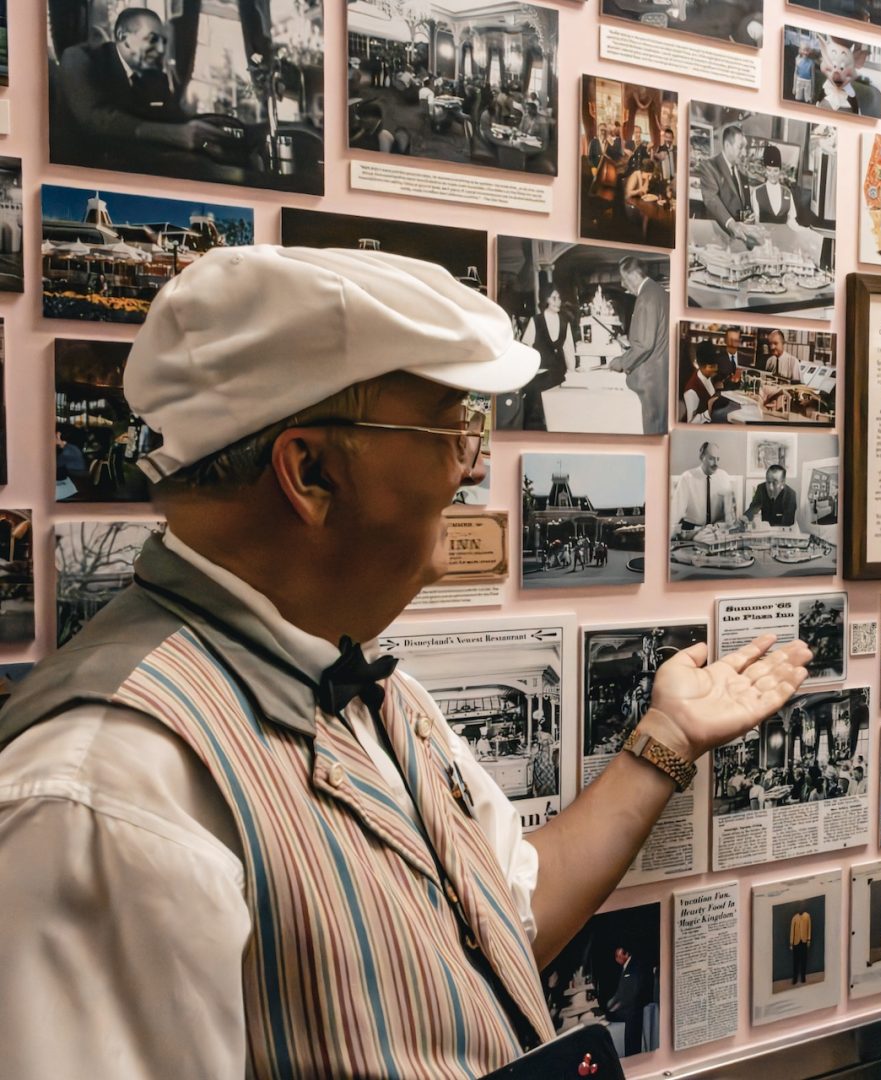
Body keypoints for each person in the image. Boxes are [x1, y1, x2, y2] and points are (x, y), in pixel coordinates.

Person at [0, 246, 813, 1077]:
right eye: (448, 426)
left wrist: (669, 732)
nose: (470, 461)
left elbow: (510, 916)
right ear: (309, 471)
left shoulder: (365, 684)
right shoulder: (103, 793)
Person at [55, 7, 232, 169]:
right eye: (153, 40)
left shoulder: (156, 78)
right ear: (123, 37)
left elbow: (171, 119)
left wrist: (209, 129)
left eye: (164, 41)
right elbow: (98, 120)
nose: (162, 49)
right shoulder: (79, 58)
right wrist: (174, 134)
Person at [609, 256, 668, 435]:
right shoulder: (660, 292)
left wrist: (621, 362)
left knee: (652, 432)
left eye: (624, 278)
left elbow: (644, 345)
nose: (623, 283)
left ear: (634, 276)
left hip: (650, 379)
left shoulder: (646, 297)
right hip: (663, 374)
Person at [503, 284, 572, 430]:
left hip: (559, 376)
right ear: (545, 299)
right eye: (554, 297)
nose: (557, 301)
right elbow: (526, 347)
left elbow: (569, 350)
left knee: (558, 415)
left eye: (559, 297)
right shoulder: (536, 321)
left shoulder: (565, 322)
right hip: (540, 378)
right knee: (538, 417)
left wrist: (571, 373)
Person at [696, 124, 757, 249]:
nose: (744, 153)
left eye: (745, 148)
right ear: (728, 146)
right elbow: (712, 199)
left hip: (739, 242)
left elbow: (739, 206)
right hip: (717, 240)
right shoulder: (709, 166)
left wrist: (748, 217)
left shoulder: (742, 173)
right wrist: (732, 225)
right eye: (740, 148)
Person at [671, 440, 737, 532]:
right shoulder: (687, 478)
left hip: (715, 531)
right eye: (711, 459)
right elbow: (675, 512)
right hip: (692, 530)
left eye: (718, 459)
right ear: (702, 457)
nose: (716, 463)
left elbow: (730, 513)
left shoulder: (724, 477)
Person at [603, 945, 645, 1055]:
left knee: (632, 1043)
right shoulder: (625, 967)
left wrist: (616, 1006)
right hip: (627, 1009)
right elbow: (620, 992)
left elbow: (631, 994)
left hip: (632, 1011)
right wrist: (610, 1002)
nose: (616, 959)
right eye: (616, 956)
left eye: (618, 956)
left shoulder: (634, 967)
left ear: (626, 954)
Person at [680, 341, 726, 424]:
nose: (715, 369)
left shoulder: (709, 377)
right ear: (701, 366)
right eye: (711, 367)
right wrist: (708, 412)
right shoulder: (691, 391)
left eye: (716, 365)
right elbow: (691, 423)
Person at [750, 144, 797, 225]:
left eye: (775, 171)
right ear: (765, 170)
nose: (772, 174)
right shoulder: (757, 193)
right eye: (769, 170)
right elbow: (756, 221)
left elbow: (792, 221)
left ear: (780, 171)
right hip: (764, 236)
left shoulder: (787, 193)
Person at [789, 906, 813, 985]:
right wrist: (791, 943)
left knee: (804, 960)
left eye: (802, 908)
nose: (800, 910)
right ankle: (795, 978)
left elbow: (809, 928)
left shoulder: (807, 916)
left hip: (804, 941)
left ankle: (803, 977)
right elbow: (792, 931)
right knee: (795, 961)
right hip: (796, 942)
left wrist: (809, 939)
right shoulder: (794, 918)